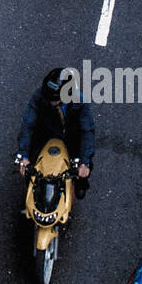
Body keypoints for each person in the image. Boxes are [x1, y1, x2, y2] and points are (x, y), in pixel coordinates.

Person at [15, 68, 96, 198]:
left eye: (55, 99)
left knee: (82, 164)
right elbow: (27, 125)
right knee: (31, 168)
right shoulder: (39, 97)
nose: (50, 101)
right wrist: (24, 156)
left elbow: (87, 131)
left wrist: (85, 163)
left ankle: (81, 182)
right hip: (46, 134)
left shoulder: (80, 102)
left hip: (71, 136)